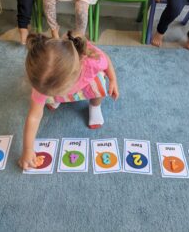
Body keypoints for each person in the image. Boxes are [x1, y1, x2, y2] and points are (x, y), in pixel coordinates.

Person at [19, 32, 119, 170]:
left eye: (54, 91)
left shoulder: (91, 61)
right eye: (49, 92)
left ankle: (95, 107)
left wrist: (113, 80)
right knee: (46, 96)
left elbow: (106, 61)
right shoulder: (43, 81)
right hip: (62, 86)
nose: (43, 93)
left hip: (86, 83)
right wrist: (27, 149)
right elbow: (34, 116)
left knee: (100, 84)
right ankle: (57, 98)